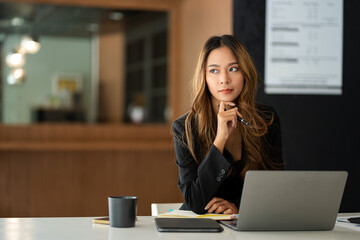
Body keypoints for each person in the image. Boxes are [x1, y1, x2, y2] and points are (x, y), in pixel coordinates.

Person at [171, 35, 284, 215]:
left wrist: (237, 207)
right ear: (204, 77)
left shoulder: (266, 118)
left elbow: (275, 186)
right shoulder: (184, 128)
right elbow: (195, 202)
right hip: (202, 228)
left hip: (248, 223)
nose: (224, 79)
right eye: (214, 71)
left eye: (233, 69)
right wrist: (220, 139)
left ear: (245, 73)